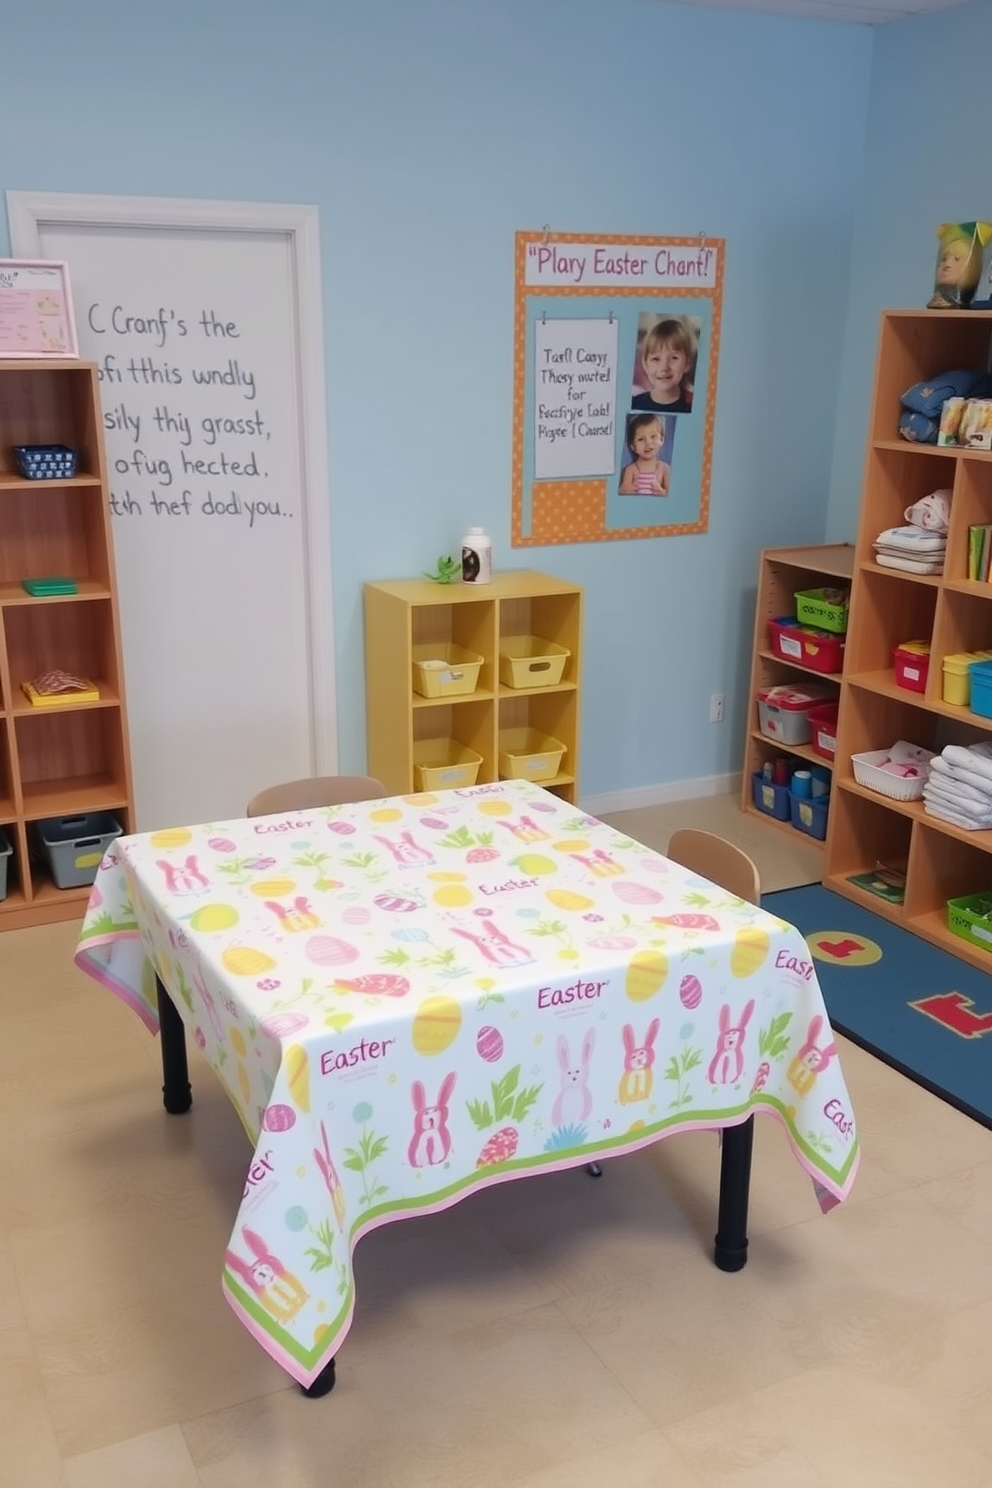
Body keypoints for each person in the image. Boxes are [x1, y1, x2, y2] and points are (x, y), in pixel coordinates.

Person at [631, 316, 697, 413]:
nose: (664, 367)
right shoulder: (635, 404)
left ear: (687, 363)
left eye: (674, 358)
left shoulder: (694, 405)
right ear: (645, 365)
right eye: (656, 359)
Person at [619, 413, 670, 496]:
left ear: (661, 439)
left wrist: (661, 492)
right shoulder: (630, 470)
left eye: (653, 436)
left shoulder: (664, 469)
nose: (648, 443)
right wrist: (625, 490)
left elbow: (674, 497)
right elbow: (622, 491)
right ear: (632, 446)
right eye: (641, 439)